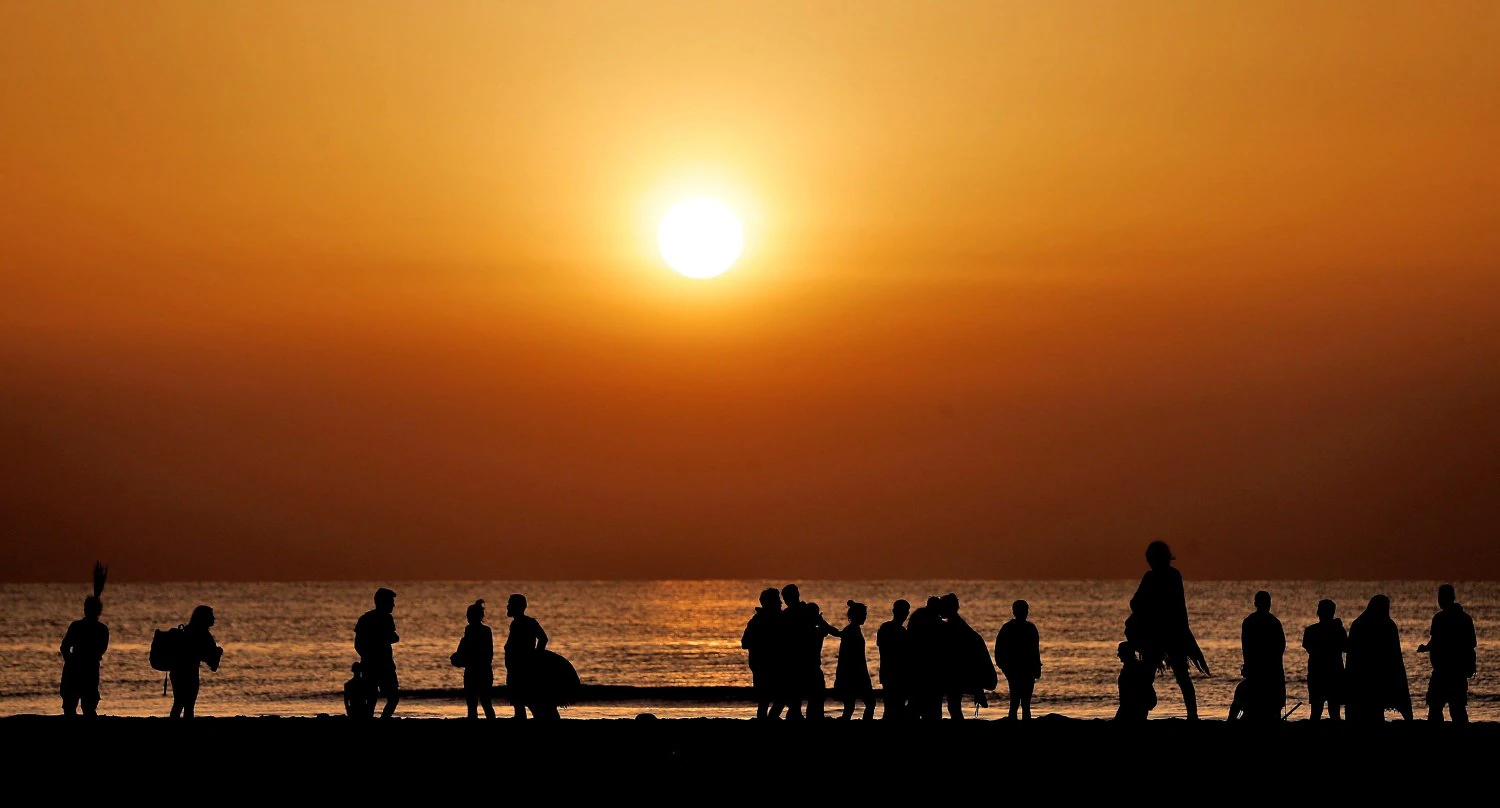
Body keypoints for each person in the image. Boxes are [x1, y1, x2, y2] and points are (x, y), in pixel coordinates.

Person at [1125, 541, 1209, 719]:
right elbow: (1178, 608)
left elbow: (1136, 603)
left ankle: (1144, 714)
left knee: (1156, 675)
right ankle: (1191, 716)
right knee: (1177, 677)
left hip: (1163, 635)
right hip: (1168, 634)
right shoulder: (1170, 576)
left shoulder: (1157, 577)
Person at [1345, 594, 1413, 722]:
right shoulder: (1387, 625)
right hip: (1372, 674)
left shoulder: (1359, 624)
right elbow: (1395, 655)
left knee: (1373, 710)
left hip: (1368, 675)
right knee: (1374, 709)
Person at [1417, 584, 1477, 723]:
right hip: (1458, 672)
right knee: (1457, 708)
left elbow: (1436, 641)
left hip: (1443, 672)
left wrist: (1426, 648)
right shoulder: (1465, 618)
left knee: (1435, 706)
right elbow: (1472, 643)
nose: (1439, 600)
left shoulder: (1439, 619)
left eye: (1440, 597)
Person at [59, 562, 109, 718]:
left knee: (70, 708)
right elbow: (101, 650)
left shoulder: (76, 626)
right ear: (99, 611)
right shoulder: (102, 629)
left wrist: (71, 660)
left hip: (75, 669)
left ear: (85, 609)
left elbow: (64, 647)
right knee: (88, 708)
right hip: (90, 669)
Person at [938, 593, 993, 719]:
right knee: (954, 705)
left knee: (953, 705)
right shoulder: (958, 624)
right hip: (960, 671)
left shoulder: (954, 626)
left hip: (958, 671)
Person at [1235, 590, 1286, 722]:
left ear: (1255, 603)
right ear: (1269, 604)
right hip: (1272, 668)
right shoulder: (1274, 622)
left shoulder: (1248, 621)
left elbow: (1245, 647)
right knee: (1274, 705)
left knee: (1252, 702)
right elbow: (1280, 647)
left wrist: (1248, 665)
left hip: (1254, 668)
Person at [505, 593, 556, 719]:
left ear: (517, 607)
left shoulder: (529, 622)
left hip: (523, 666)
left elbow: (543, 639)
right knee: (518, 698)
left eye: (510, 604)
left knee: (527, 698)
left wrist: (536, 656)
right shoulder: (515, 623)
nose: (507, 607)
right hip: (515, 667)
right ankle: (520, 716)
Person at [169, 605, 223, 719]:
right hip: (190, 673)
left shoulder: (187, 630)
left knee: (178, 703)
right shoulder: (204, 635)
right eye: (211, 616)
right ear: (204, 618)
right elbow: (212, 665)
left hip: (176, 672)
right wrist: (218, 653)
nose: (214, 618)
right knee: (188, 706)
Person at [354, 587, 400, 719]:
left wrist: (366, 657)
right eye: (391, 602)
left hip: (370, 664)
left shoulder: (365, 618)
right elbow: (392, 637)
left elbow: (358, 644)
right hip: (384, 665)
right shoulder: (386, 619)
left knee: (371, 699)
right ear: (383, 602)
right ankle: (383, 720)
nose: (393, 605)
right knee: (392, 697)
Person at [994, 599, 1042, 720]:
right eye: (1022, 610)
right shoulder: (1009, 628)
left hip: (1026, 670)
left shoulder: (1029, 628)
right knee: (1016, 702)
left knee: (1024, 704)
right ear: (1015, 612)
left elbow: (1035, 651)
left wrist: (1036, 668)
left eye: (1025, 610)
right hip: (1014, 670)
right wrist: (1006, 668)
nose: (1024, 613)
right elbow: (999, 652)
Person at [741, 587, 784, 720]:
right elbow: (745, 643)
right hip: (764, 666)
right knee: (771, 698)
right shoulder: (758, 621)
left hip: (771, 665)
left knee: (774, 698)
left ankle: (768, 720)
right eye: (777, 601)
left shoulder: (763, 620)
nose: (780, 603)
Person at [1302, 599, 1346, 721]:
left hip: (1317, 674)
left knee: (1316, 712)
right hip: (1334, 674)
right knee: (1334, 712)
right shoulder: (1338, 630)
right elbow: (1346, 647)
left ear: (1318, 613)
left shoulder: (1310, 631)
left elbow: (1309, 647)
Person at [453, 599, 496, 719]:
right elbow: (487, 654)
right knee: (483, 702)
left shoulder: (475, 630)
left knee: (476, 703)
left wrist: (459, 658)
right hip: (482, 670)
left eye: (469, 615)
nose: (467, 618)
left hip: (475, 670)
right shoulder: (483, 630)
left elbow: (469, 650)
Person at [906, 596, 946, 720]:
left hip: (916, 665)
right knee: (932, 702)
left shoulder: (917, 617)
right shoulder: (935, 622)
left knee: (917, 700)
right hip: (929, 667)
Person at [835, 600, 875, 720]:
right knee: (866, 704)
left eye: (865, 614)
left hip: (857, 673)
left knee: (852, 706)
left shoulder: (855, 630)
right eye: (863, 614)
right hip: (854, 674)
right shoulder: (850, 631)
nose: (865, 617)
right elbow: (845, 656)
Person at [803, 601, 840, 719]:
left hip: (805, 667)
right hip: (812, 668)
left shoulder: (809, 629)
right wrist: (821, 621)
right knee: (817, 696)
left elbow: (833, 632)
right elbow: (835, 632)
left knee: (814, 697)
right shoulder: (815, 631)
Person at [875, 599, 911, 720]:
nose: (905, 615)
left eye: (906, 612)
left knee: (891, 707)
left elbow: (880, 645)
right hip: (896, 674)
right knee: (895, 706)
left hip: (888, 673)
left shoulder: (886, 628)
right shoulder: (900, 631)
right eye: (904, 611)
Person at [1114, 641, 1156, 721]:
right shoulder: (1133, 667)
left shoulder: (1132, 669)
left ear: (1126, 654)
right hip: (1130, 708)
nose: (1118, 655)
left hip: (1132, 709)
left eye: (1120, 652)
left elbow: (1132, 693)